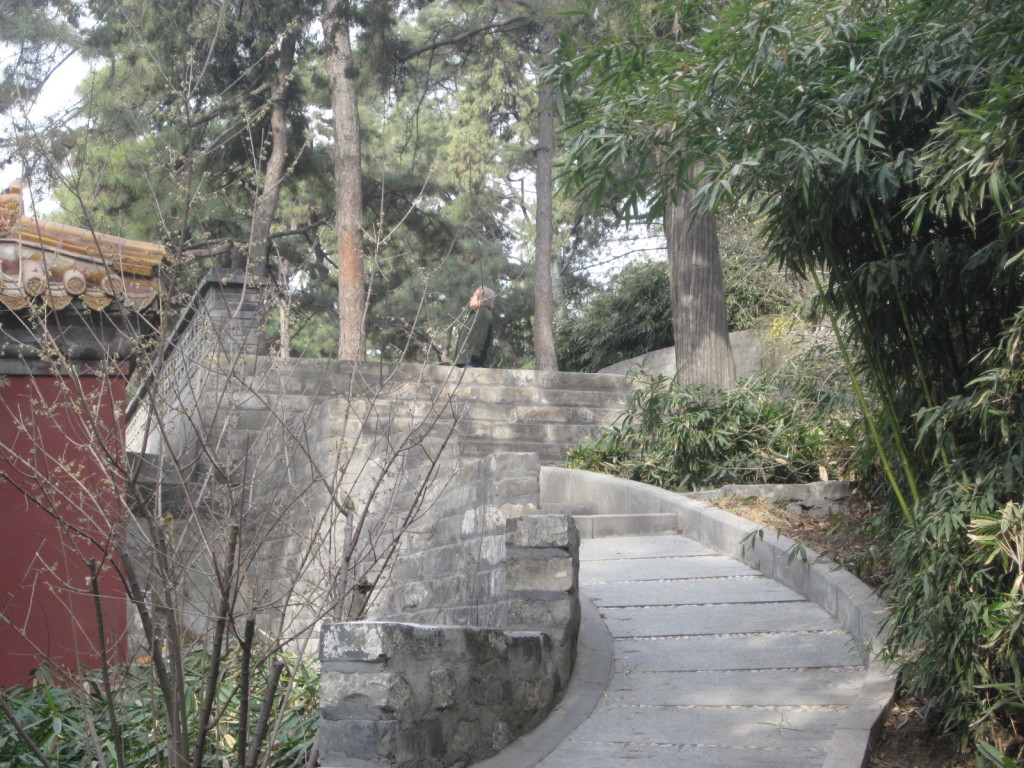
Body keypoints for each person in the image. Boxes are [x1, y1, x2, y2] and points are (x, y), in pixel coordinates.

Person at [454, 286, 496, 367]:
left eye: (474, 295)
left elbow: (479, 336)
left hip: (471, 362)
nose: (471, 297)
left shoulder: (483, 313)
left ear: (482, 298)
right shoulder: (477, 312)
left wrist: (473, 357)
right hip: (466, 361)